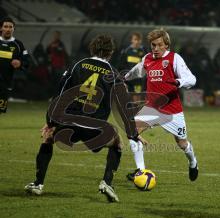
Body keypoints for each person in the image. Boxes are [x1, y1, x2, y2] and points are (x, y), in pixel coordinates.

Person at [24, 34, 141, 202]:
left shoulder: (78, 65)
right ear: (110, 52)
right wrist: (133, 133)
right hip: (94, 126)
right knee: (117, 143)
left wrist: (50, 122)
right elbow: (123, 107)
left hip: (69, 120)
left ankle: (38, 184)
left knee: (48, 138)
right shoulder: (113, 74)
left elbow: (60, 92)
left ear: (92, 48)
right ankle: (107, 183)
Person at [124, 29, 199, 182]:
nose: (155, 49)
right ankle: (140, 171)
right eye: (153, 45)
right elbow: (136, 72)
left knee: (182, 143)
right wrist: (123, 78)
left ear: (166, 45)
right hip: (152, 108)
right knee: (132, 132)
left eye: (159, 45)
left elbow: (192, 79)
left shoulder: (174, 58)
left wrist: (178, 82)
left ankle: (193, 162)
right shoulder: (147, 59)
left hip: (172, 110)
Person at [0, 17, 29, 113]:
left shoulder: (18, 45)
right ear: (1, 28)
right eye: (5, 26)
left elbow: (27, 62)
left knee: (0, 110)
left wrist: (20, 63)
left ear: (13, 29)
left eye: (10, 27)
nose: (8, 29)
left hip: (5, 84)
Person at [46, 31, 69, 96]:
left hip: (60, 66)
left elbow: (61, 51)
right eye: (55, 35)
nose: (56, 36)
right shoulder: (51, 44)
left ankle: (60, 95)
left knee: (60, 81)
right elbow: (47, 51)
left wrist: (54, 47)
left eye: (57, 35)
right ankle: (53, 95)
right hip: (53, 66)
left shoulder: (61, 44)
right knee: (53, 81)